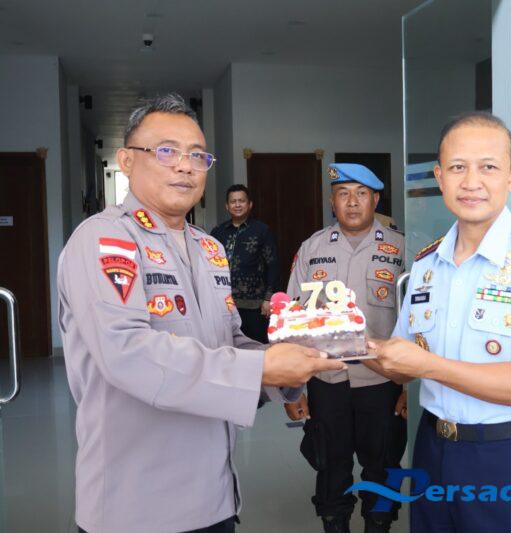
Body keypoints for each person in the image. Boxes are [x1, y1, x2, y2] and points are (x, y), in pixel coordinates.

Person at [57, 93, 346, 533]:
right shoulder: (104, 239)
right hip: (134, 505)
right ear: (127, 161)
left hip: (213, 495)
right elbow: (127, 353)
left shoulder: (209, 247)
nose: (185, 166)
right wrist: (262, 368)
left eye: (197, 156)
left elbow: (229, 339)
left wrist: (290, 360)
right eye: (166, 151)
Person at [367, 112, 511, 532]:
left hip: (507, 458)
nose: (471, 182)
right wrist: (344, 339)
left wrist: (430, 367)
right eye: (457, 167)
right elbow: (401, 364)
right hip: (431, 452)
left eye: (488, 167)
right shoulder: (426, 265)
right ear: (439, 177)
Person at [284, 163, 407, 533]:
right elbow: (294, 319)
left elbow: (418, 321)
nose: (352, 202)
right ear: (332, 202)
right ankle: (334, 522)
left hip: (383, 382)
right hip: (327, 381)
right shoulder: (312, 248)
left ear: (376, 200)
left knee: (382, 465)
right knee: (330, 466)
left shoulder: (401, 248)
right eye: (343, 194)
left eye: (361, 194)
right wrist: (293, 388)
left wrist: (409, 386)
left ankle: (378, 524)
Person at [211, 184, 279, 343]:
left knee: (256, 347)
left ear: (250, 204)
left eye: (241, 201)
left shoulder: (262, 230)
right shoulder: (217, 232)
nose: (237, 205)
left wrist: (268, 299)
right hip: (225, 304)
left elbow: (273, 265)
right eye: (233, 201)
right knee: (228, 346)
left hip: (255, 305)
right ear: (227, 206)